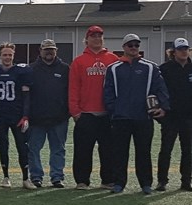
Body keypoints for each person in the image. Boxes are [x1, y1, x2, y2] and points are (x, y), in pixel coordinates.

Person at [104, 34, 169, 194]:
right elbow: (108, 93)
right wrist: (114, 111)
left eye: (136, 45)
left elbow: (160, 88)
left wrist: (163, 107)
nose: (133, 48)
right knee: (119, 152)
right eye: (130, 45)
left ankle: (145, 184)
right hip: (121, 119)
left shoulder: (150, 67)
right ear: (124, 47)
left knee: (144, 152)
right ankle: (119, 183)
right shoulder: (113, 68)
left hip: (144, 118)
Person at [68, 25, 119, 190]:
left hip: (107, 114)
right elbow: (73, 88)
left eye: (99, 36)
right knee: (83, 151)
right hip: (86, 114)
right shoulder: (79, 61)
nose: (97, 39)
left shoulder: (112, 59)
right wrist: (75, 112)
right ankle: (82, 181)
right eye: (93, 36)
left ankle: (107, 180)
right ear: (87, 39)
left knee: (109, 150)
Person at [0, 43, 35, 189]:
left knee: (22, 147)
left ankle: (25, 178)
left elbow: (27, 95)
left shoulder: (21, 71)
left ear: (13, 55)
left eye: (10, 55)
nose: (7, 57)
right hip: (1, 115)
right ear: (0, 55)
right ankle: (6, 177)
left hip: (17, 115)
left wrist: (25, 115)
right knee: (3, 146)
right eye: (5, 54)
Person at [27, 39, 70, 188]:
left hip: (59, 118)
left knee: (58, 149)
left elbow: (70, 92)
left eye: (52, 49)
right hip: (36, 119)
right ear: (40, 51)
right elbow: (26, 95)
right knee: (33, 149)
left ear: (56, 51)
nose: (49, 52)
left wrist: (67, 112)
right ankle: (36, 177)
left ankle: (57, 177)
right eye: (46, 49)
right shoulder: (31, 69)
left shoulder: (65, 69)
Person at [157, 38, 192, 191]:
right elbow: (158, 91)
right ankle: (162, 181)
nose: (184, 51)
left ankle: (186, 181)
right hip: (170, 117)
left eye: (186, 48)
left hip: (189, 117)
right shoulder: (164, 69)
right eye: (180, 49)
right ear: (173, 52)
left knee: (188, 150)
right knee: (166, 150)